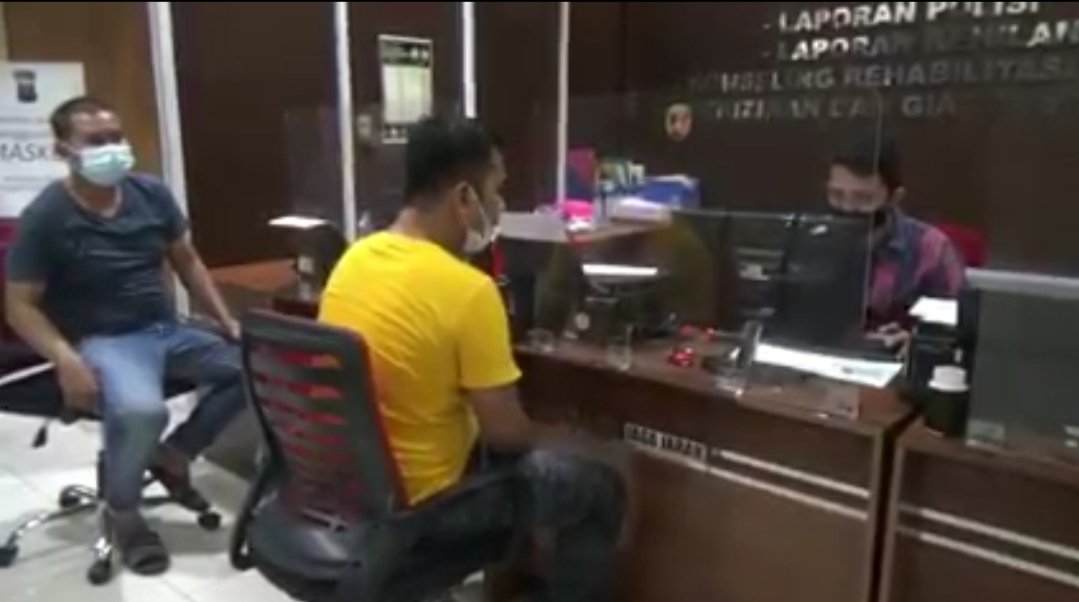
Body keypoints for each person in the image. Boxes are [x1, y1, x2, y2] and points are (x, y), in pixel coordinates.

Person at [319, 116, 626, 602]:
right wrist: (571, 437)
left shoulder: (353, 261)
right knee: (598, 487)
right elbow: (507, 435)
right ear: (465, 197)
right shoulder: (468, 292)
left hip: (352, 490)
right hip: (431, 510)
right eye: (496, 189)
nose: (499, 205)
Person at [4, 97, 245, 575]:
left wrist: (225, 320)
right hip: (104, 340)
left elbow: (187, 260)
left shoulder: (150, 194)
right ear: (63, 150)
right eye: (96, 141)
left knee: (259, 369)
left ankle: (173, 455)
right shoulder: (46, 216)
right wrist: (65, 358)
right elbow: (19, 305)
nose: (112, 148)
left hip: (164, 328)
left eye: (116, 137)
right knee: (141, 411)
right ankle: (124, 513)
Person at [826, 135, 965, 346]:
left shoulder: (931, 249)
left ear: (894, 198)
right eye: (837, 195)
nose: (847, 208)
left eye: (863, 199)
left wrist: (915, 340)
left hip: (892, 360)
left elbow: (949, 331)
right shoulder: (810, 239)